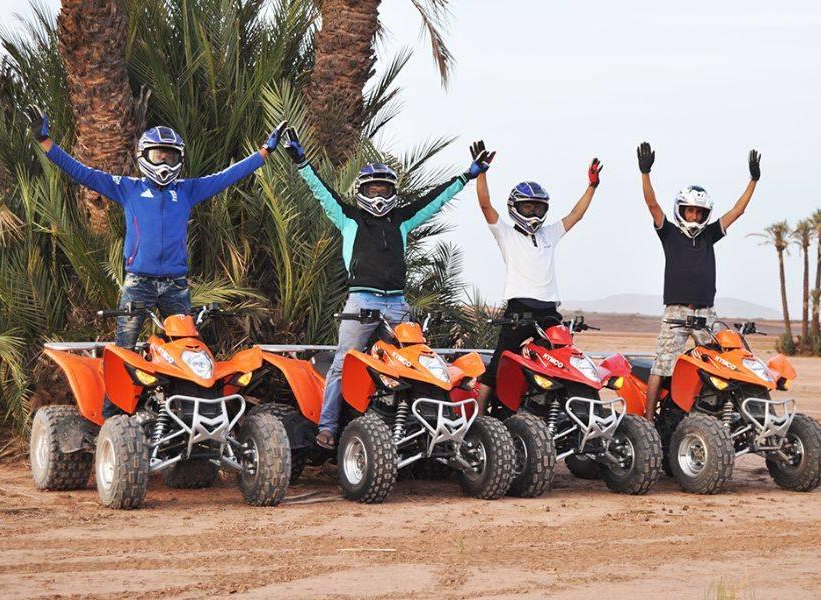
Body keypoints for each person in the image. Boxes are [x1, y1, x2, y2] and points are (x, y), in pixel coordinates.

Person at [25, 105, 286, 416]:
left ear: (179, 159)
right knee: (123, 353)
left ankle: (179, 415)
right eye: (158, 156)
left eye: (170, 157)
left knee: (187, 352)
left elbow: (227, 176)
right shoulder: (127, 188)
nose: (164, 163)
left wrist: (265, 152)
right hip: (139, 284)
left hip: (176, 286)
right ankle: (112, 418)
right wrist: (45, 141)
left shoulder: (186, 190)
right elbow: (82, 172)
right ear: (143, 156)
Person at [281, 128, 494, 448]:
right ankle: (327, 427)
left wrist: (468, 175)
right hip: (360, 303)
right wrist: (301, 161)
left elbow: (435, 199)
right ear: (361, 191)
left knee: (414, 364)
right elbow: (321, 190)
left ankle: (412, 427)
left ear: (393, 191)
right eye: (372, 189)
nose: (379, 195)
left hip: (397, 305)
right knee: (343, 362)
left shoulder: (403, 219)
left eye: (384, 189)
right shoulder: (348, 217)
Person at [475, 139, 604, 414]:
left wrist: (592, 187)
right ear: (515, 207)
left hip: (549, 312)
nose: (534, 213)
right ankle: (478, 418)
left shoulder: (549, 234)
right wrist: (481, 172)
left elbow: (576, 215)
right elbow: (485, 205)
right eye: (528, 208)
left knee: (564, 363)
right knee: (498, 366)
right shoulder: (506, 234)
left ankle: (552, 413)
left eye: (538, 208)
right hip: (518, 311)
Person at [637, 141, 761, 421]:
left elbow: (737, 211)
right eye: (690, 210)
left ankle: (719, 414)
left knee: (725, 358)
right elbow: (652, 204)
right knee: (661, 365)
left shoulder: (709, 235)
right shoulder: (669, 233)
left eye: (699, 212)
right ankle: (648, 421)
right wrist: (645, 173)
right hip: (676, 314)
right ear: (681, 210)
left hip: (706, 314)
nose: (694, 216)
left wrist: (753, 180)